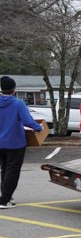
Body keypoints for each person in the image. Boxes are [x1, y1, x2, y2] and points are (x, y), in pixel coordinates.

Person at [0, 76, 44, 209]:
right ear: (14, 89)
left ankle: (6, 195)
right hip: (15, 142)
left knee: (5, 169)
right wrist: (40, 128)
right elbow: (28, 121)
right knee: (12, 171)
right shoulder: (18, 103)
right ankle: (5, 199)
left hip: (0, 143)